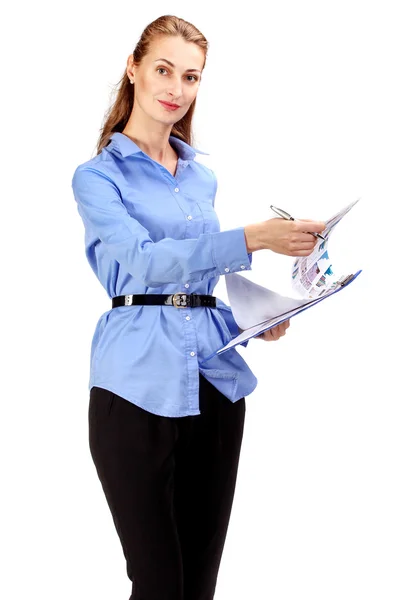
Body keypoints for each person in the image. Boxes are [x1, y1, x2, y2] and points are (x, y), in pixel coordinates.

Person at [71, 14, 326, 600]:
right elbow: (147, 264)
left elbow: (198, 282)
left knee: (200, 583)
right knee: (159, 582)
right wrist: (252, 238)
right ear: (133, 69)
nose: (176, 88)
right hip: (134, 386)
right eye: (164, 70)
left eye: (191, 76)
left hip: (214, 380)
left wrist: (254, 319)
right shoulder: (96, 177)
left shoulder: (199, 177)